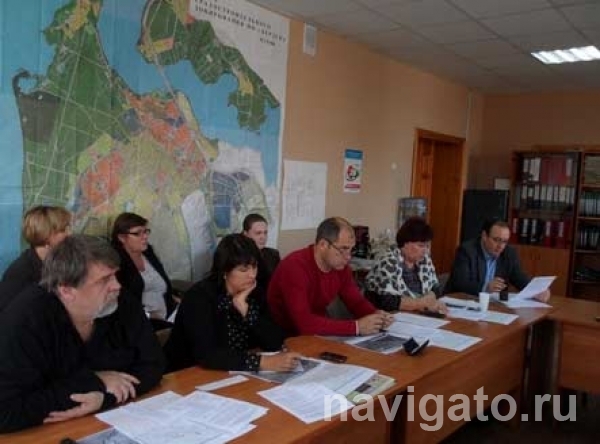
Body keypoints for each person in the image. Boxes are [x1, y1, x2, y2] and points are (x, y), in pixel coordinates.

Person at [0, 235, 164, 433]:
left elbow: (154, 365)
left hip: (112, 421)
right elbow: (6, 412)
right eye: (104, 279)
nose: (117, 285)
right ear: (67, 291)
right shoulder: (26, 321)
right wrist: (94, 382)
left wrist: (105, 398)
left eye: (115, 275)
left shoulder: (121, 302)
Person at [164, 234, 300, 372]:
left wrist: (246, 310)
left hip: (233, 372)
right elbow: (207, 354)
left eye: (254, 267)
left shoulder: (255, 293)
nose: (252, 275)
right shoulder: (199, 297)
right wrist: (261, 362)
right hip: (187, 373)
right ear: (224, 271)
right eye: (243, 270)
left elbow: (275, 342)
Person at [268, 217, 393, 337]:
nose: (348, 257)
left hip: (318, 330)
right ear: (323, 244)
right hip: (285, 335)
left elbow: (356, 302)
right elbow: (304, 324)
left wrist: (376, 315)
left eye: (351, 250)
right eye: (343, 249)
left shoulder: (340, 266)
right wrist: (356, 327)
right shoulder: (295, 267)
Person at [445, 219, 550, 302]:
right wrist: (485, 287)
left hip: (491, 306)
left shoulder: (509, 253)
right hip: (461, 303)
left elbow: (519, 277)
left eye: (505, 241)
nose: (501, 246)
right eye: (496, 240)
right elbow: (460, 283)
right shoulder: (467, 251)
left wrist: (537, 290)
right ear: (484, 236)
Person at [365, 217, 447, 314]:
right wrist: (422, 303)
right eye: (421, 245)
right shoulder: (388, 262)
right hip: (391, 316)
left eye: (427, 246)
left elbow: (436, 289)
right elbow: (387, 302)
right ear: (405, 243)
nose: (425, 250)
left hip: (418, 315)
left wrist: (429, 298)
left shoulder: (425, 261)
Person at [111, 212, 177, 330]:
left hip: (169, 312)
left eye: (146, 231)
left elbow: (164, 282)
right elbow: (124, 304)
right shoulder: (117, 262)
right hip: (145, 323)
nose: (145, 236)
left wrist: (173, 298)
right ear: (122, 238)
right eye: (137, 233)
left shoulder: (148, 252)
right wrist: (148, 315)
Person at [1, 205, 71, 297]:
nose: (69, 234)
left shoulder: (57, 262)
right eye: (63, 230)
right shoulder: (21, 273)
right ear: (46, 235)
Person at [242, 213, 281, 287]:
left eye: (265, 233)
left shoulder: (273, 255)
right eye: (258, 233)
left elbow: (278, 282)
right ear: (246, 234)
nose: (263, 237)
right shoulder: (237, 257)